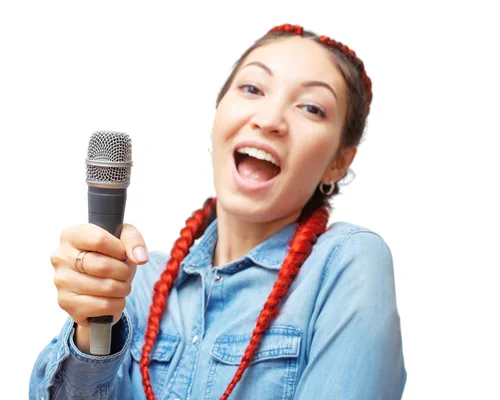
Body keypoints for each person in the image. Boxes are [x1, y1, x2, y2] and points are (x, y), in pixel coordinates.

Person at [30, 23, 407, 400]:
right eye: (252, 89)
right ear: (218, 116)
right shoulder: (138, 282)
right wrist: (93, 326)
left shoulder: (346, 263)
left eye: (310, 107)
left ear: (338, 163)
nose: (269, 120)